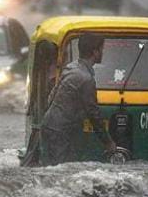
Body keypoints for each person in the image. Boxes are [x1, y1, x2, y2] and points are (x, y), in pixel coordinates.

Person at [40, 33, 117, 165]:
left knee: (52, 168)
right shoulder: (86, 79)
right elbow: (94, 114)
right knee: (60, 170)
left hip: (49, 124)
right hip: (60, 132)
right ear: (95, 52)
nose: (103, 52)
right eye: (102, 49)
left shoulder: (71, 67)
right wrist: (108, 142)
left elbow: (51, 97)